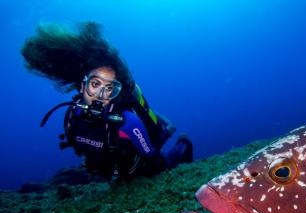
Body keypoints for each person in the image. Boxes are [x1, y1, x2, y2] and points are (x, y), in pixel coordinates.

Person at [21, 22, 193, 180]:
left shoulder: (128, 122)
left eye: (109, 88)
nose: (101, 94)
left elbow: (153, 159)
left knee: (166, 165)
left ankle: (183, 142)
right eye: (95, 84)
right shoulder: (73, 117)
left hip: (138, 165)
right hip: (114, 171)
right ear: (82, 86)